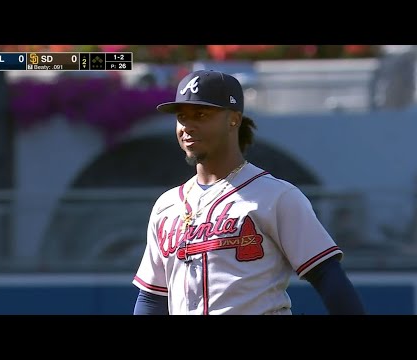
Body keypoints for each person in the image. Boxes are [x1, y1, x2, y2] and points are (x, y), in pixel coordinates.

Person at [132, 69, 366, 315]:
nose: (187, 126)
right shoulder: (167, 206)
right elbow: (152, 298)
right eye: (182, 116)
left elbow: (328, 276)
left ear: (233, 119)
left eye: (200, 114)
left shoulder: (275, 196)